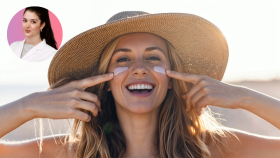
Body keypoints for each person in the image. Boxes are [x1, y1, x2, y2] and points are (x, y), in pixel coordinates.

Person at [1, 11, 280, 158]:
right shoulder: (74, 153)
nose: (139, 70)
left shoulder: (214, 149)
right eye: (123, 59)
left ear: (171, 79)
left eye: (153, 57)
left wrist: (245, 98)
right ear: (105, 82)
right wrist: (29, 105)